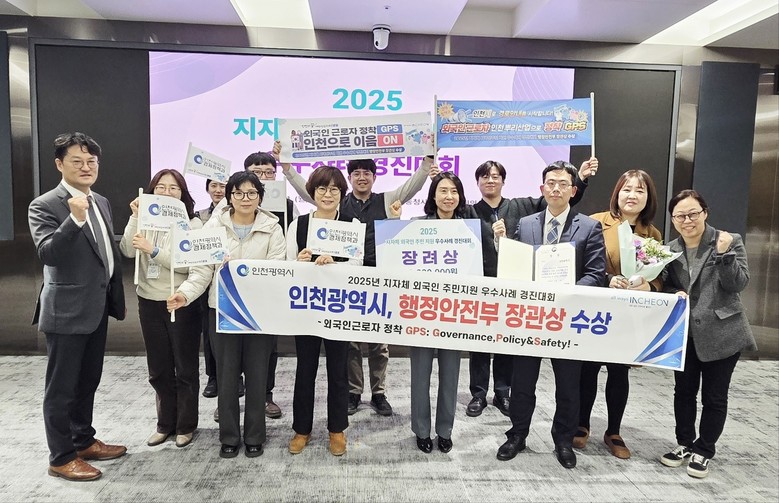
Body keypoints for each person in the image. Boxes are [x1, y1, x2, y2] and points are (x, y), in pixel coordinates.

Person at [278, 142, 436, 417]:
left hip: (376, 277)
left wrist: (426, 162)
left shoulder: (386, 200)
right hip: (341, 281)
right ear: (349, 178)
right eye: (356, 173)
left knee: (379, 341)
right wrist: (289, 169)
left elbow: (412, 187)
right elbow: (310, 189)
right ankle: (353, 392)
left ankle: (379, 393)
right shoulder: (337, 201)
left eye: (367, 173)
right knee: (349, 342)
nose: (362, 177)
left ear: (375, 176)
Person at [28, 132, 127, 481]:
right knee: (61, 388)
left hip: (97, 307)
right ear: (60, 164)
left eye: (91, 161)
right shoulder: (45, 205)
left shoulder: (100, 200)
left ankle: (83, 441)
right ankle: (61, 457)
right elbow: (48, 253)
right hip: (66, 311)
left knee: (88, 381)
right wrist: (75, 220)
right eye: (77, 161)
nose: (86, 167)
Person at [167, 171, 286, 458]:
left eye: (252, 193)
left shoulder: (273, 227)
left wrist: (243, 272)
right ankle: (229, 436)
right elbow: (201, 271)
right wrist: (184, 294)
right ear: (229, 196)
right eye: (238, 193)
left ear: (260, 197)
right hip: (222, 311)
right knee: (227, 377)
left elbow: (277, 269)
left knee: (257, 376)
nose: (245, 198)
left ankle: (255, 435)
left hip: (258, 313)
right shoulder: (213, 227)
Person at [496, 160, 606, 469]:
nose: (556, 188)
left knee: (568, 386)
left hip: (567, 318)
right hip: (531, 317)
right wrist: (503, 246)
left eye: (562, 184)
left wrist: (565, 294)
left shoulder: (589, 227)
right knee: (522, 383)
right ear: (542, 188)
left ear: (573, 190)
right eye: (550, 183)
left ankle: (563, 441)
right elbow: (518, 266)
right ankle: (517, 435)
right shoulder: (527, 223)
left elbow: (596, 274)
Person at [468, 157, 597, 417]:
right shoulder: (469, 212)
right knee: (479, 344)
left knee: (507, 343)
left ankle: (503, 392)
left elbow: (559, 200)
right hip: (481, 286)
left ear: (503, 181)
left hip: (515, 288)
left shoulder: (521, 206)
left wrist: (581, 179)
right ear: (478, 182)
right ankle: (478, 394)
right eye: (485, 176)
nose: (490, 180)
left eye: (495, 176)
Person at [658, 189, 756, 479]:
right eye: (680, 216)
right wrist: (670, 292)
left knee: (714, 397)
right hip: (686, 334)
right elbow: (665, 284)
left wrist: (724, 255)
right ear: (673, 219)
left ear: (705, 213)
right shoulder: (670, 249)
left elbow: (738, 284)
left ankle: (704, 450)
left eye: (693, 214)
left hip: (723, 333)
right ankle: (685, 443)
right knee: (683, 392)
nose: (687, 220)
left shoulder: (728, 240)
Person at [574, 169, 661, 459]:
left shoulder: (652, 234)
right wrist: (607, 279)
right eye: (627, 189)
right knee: (588, 369)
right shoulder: (596, 222)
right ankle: (582, 424)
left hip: (628, 315)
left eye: (640, 190)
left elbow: (659, 275)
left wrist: (648, 284)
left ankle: (613, 431)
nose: (632, 195)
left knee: (619, 371)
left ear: (648, 198)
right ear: (617, 193)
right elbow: (581, 264)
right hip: (596, 308)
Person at [410, 172, 498, 454]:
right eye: (443, 191)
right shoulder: (416, 227)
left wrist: (499, 239)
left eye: (454, 191)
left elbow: (487, 266)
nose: (449, 197)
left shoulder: (470, 229)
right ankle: (421, 430)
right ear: (433, 195)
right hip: (422, 312)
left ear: (460, 197)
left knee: (450, 376)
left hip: (454, 313)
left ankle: (445, 431)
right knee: (420, 376)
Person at [119, 169, 203, 449]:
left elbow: (188, 265)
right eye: (161, 187)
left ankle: (186, 425)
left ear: (183, 194)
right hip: (148, 301)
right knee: (158, 368)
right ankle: (165, 424)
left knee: (185, 368)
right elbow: (127, 250)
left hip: (180, 302)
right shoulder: (145, 219)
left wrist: (153, 250)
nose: (167, 193)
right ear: (152, 191)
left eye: (174, 188)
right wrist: (134, 217)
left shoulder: (192, 224)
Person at [285, 166, 363, 457]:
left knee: (338, 370)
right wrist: (299, 261)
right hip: (306, 306)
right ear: (312, 192)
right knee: (305, 370)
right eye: (321, 189)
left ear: (342, 193)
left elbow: (358, 264)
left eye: (334, 189)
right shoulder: (299, 224)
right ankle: (301, 429)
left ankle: (337, 429)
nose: (327, 194)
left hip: (338, 308)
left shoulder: (351, 223)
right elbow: (286, 264)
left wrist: (336, 263)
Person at [244, 150, 300, 419]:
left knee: (268, 347)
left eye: (269, 172)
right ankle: (231, 395)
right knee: (232, 348)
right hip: (237, 287)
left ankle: (266, 396)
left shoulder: (288, 205)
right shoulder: (232, 204)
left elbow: (293, 242)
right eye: (257, 172)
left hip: (270, 287)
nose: (264, 177)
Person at [196, 179, 226, 400]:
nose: (218, 190)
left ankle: (236, 379)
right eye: (214, 185)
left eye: (223, 186)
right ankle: (213, 376)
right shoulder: (200, 216)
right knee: (210, 334)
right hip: (207, 283)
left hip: (235, 284)